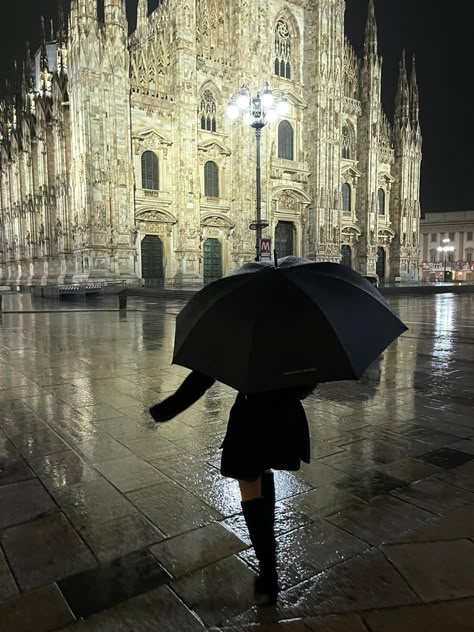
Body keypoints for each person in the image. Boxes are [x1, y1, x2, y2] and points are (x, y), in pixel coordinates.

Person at [149, 372, 316, 606]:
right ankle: (269, 570)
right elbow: (308, 383)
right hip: (287, 415)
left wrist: (169, 408)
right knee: (263, 471)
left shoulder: (241, 337)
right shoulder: (297, 337)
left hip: (251, 418)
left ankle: (268, 573)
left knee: (250, 481)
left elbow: (205, 374)